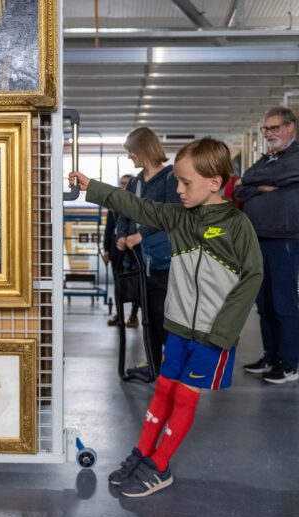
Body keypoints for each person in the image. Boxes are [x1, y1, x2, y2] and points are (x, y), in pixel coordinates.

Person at [69, 138, 263, 497]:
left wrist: (223, 332)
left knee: (186, 397)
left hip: (211, 334)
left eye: (186, 183)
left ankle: (160, 465)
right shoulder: (178, 216)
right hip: (178, 328)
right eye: (177, 181)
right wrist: (92, 187)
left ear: (214, 182)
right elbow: (136, 204)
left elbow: (253, 277)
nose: (178, 189)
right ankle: (143, 453)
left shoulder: (237, 225)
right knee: (163, 389)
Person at [234, 106, 299, 384]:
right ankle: (270, 356)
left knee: (283, 301)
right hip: (258, 237)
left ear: (290, 126)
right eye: (266, 129)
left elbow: (280, 176)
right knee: (264, 302)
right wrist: (260, 186)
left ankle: (288, 364)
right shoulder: (266, 159)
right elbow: (240, 186)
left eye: (275, 128)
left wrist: (264, 180)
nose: (269, 133)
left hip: (284, 237)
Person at [115, 127, 180, 377]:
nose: (130, 157)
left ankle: (173, 362)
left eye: (132, 152)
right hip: (140, 262)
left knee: (164, 315)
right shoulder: (134, 182)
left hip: (164, 262)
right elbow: (124, 211)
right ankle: (153, 363)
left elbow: (171, 214)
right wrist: (122, 235)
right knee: (147, 317)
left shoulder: (170, 178)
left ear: (145, 149)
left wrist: (141, 235)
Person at [104, 173, 139, 328]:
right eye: (121, 183)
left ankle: (133, 315)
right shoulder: (114, 205)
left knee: (136, 282)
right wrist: (106, 249)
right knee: (118, 283)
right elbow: (109, 228)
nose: (123, 186)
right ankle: (119, 314)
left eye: (126, 183)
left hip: (134, 248)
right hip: (116, 248)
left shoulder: (138, 204)